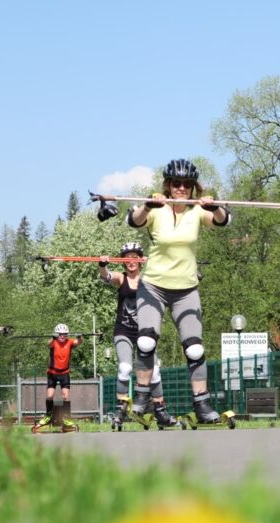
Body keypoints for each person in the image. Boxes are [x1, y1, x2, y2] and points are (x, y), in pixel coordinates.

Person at [125, 158, 230, 424]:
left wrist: (216, 206)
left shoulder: (197, 211)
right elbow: (134, 220)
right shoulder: (157, 209)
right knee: (146, 341)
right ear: (169, 185)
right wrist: (148, 204)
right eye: (176, 183)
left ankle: (203, 405)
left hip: (186, 289)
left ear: (193, 187)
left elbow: (223, 220)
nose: (181, 188)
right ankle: (141, 400)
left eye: (187, 184)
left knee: (194, 349)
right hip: (154, 287)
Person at [99, 242, 176, 429]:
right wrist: (103, 265)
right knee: (125, 368)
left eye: (134, 257)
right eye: (127, 258)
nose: (131, 261)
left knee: (155, 371)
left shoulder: (149, 279)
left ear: (140, 260)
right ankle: (120, 408)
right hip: (123, 331)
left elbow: (170, 278)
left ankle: (160, 410)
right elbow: (106, 276)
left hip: (145, 333)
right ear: (124, 262)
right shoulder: (121, 278)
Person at [34, 324, 83, 432]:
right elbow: (49, 344)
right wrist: (53, 338)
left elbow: (78, 342)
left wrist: (80, 337)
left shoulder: (69, 342)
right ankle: (48, 416)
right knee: (50, 396)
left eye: (64, 334)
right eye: (60, 334)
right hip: (52, 373)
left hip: (64, 373)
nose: (62, 336)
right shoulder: (53, 342)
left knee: (66, 396)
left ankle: (66, 418)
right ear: (57, 334)